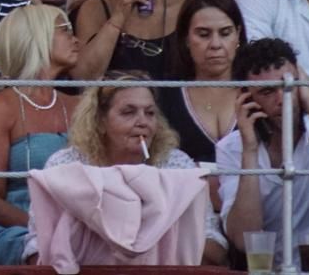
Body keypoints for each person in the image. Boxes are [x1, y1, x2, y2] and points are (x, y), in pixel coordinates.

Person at [39, 77, 227, 265]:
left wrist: (158, 233)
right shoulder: (66, 166)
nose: (143, 122)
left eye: (150, 113)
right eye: (129, 112)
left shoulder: (176, 166)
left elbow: (214, 248)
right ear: (100, 121)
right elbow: (38, 248)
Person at [216, 36, 309, 247]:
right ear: (247, 99)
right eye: (267, 91)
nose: (282, 99)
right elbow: (244, 239)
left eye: (288, 85)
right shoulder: (231, 148)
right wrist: (250, 151)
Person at [0, 3, 81, 264]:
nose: (76, 39)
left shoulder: (78, 106)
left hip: (75, 222)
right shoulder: (1, 106)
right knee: (46, 251)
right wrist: (44, 226)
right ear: (36, 37)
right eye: (65, 30)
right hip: (12, 227)